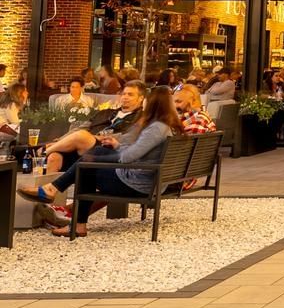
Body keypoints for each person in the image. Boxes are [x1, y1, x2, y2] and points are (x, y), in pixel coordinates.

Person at [46, 85, 182, 238]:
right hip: (150, 179)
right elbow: (135, 153)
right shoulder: (165, 125)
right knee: (95, 154)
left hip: (140, 185)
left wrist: (95, 160)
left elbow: (128, 157)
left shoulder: (156, 128)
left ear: (150, 103)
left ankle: (74, 219)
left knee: (86, 167)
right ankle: (54, 190)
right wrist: (116, 146)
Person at [26, 79, 145, 182]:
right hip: (82, 145)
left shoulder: (141, 118)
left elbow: (130, 138)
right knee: (54, 157)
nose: (125, 97)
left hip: (105, 150)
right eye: (124, 94)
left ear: (141, 98)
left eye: (130, 94)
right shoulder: (105, 112)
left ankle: (41, 154)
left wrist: (101, 137)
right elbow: (80, 127)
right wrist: (61, 140)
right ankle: (48, 201)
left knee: (82, 135)